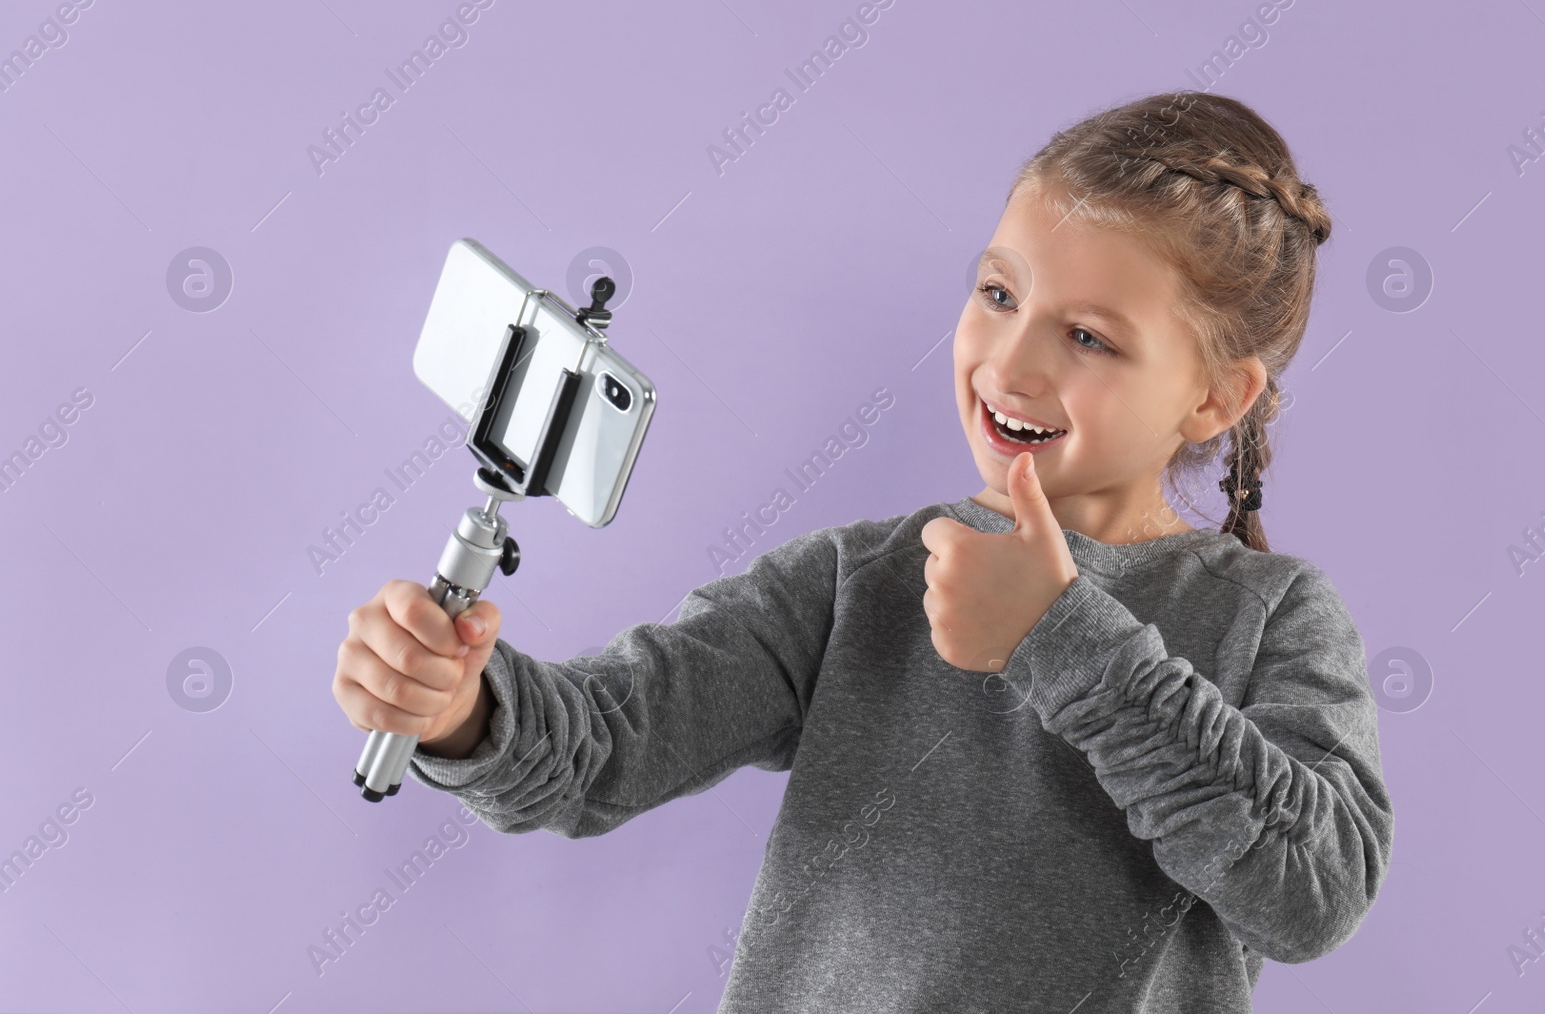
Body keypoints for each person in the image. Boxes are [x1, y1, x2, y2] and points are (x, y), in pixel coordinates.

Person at [331, 89, 1393, 1013]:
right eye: (998, 294)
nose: (1008, 361)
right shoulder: (856, 582)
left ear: (1214, 395)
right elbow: (605, 744)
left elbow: (1312, 891)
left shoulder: (1271, 616)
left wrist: (1060, 634)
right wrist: (462, 708)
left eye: (1087, 337)